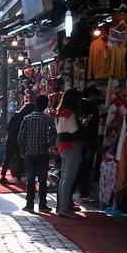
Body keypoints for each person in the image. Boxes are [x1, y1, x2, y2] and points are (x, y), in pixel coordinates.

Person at [17, 94, 56, 212]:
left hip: (29, 153)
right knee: (43, 179)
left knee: (31, 179)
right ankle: (43, 204)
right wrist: (49, 143)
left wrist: (22, 151)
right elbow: (55, 131)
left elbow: (20, 137)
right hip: (42, 153)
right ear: (45, 106)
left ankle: (29, 204)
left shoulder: (27, 118)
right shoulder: (47, 119)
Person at [56, 87, 84, 218]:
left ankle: (61, 206)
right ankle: (64, 207)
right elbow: (74, 131)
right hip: (72, 147)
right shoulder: (69, 113)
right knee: (68, 178)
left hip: (62, 146)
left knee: (64, 178)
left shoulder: (60, 112)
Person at [76, 86, 103, 201]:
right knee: (85, 167)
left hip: (83, 140)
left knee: (83, 167)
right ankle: (84, 192)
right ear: (92, 95)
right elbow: (88, 122)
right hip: (88, 140)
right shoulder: (89, 106)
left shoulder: (80, 105)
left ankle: (83, 191)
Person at [0, 94, 34, 184]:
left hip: (11, 138)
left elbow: (9, 127)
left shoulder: (16, 115)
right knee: (20, 158)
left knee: (8, 157)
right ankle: (18, 176)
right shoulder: (26, 118)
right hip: (20, 140)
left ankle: (3, 175)